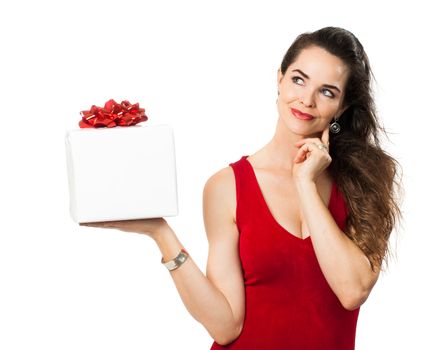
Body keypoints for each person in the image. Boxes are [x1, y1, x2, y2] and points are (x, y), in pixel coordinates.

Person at [81, 26, 402, 349]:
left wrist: (304, 182)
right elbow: (225, 326)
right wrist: (160, 233)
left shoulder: (366, 181)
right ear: (279, 79)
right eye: (298, 79)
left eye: (327, 92)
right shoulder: (227, 186)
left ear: (342, 108)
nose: (306, 99)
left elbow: (352, 290)